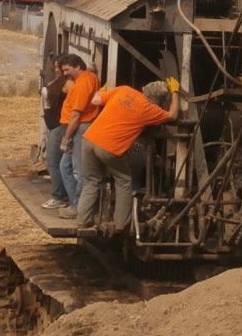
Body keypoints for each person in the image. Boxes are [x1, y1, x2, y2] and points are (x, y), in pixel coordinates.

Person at [77, 78, 181, 232]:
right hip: (108, 147)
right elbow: (173, 115)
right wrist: (175, 92)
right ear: (158, 101)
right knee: (124, 180)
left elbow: (96, 100)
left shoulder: (124, 90)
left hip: (89, 139)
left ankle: (83, 221)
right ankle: (121, 224)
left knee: (91, 181)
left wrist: (104, 89)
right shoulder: (149, 110)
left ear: (144, 88)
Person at [55, 54, 100, 218]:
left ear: (78, 66)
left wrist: (66, 138)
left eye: (67, 69)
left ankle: (79, 208)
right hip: (80, 127)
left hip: (79, 129)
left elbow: (76, 115)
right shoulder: (89, 77)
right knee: (64, 166)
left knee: (78, 170)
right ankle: (76, 204)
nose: (65, 73)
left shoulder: (83, 84)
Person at [39, 59, 70, 206]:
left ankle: (59, 196)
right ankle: (61, 194)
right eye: (56, 67)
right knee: (57, 163)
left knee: (53, 162)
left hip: (59, 126)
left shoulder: (67, 83)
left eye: (60, 67)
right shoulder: (58, 81)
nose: (57, 69)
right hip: (54, 126)